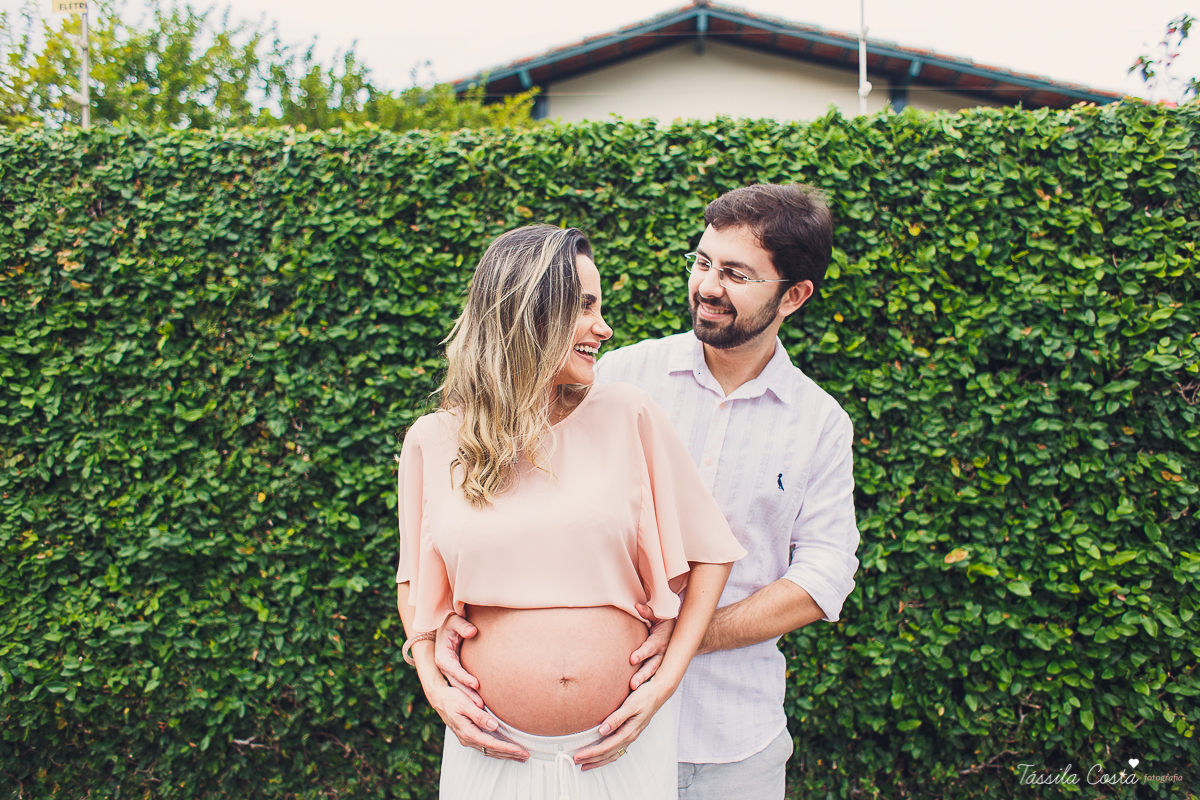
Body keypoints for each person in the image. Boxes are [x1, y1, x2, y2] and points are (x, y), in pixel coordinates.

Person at [437, 184, 860, 799]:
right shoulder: (616, 376)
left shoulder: (820, 423)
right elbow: (514, 499)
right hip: (591, 745)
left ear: (793, 295)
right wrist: (455, 620)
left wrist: (685, 637)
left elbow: (824, 573)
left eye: (737, 273)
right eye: (703, 261)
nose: (708, 285)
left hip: (731, 742)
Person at [394, 224, 746, 800]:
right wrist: (433, 680)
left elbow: (712, 556)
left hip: (619, 750)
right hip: (489, 745)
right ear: (525, 313)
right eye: (584, 308)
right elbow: (414, 582)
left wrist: (663, 686)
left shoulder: (628, 415)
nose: (603, 328)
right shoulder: (433, 441)